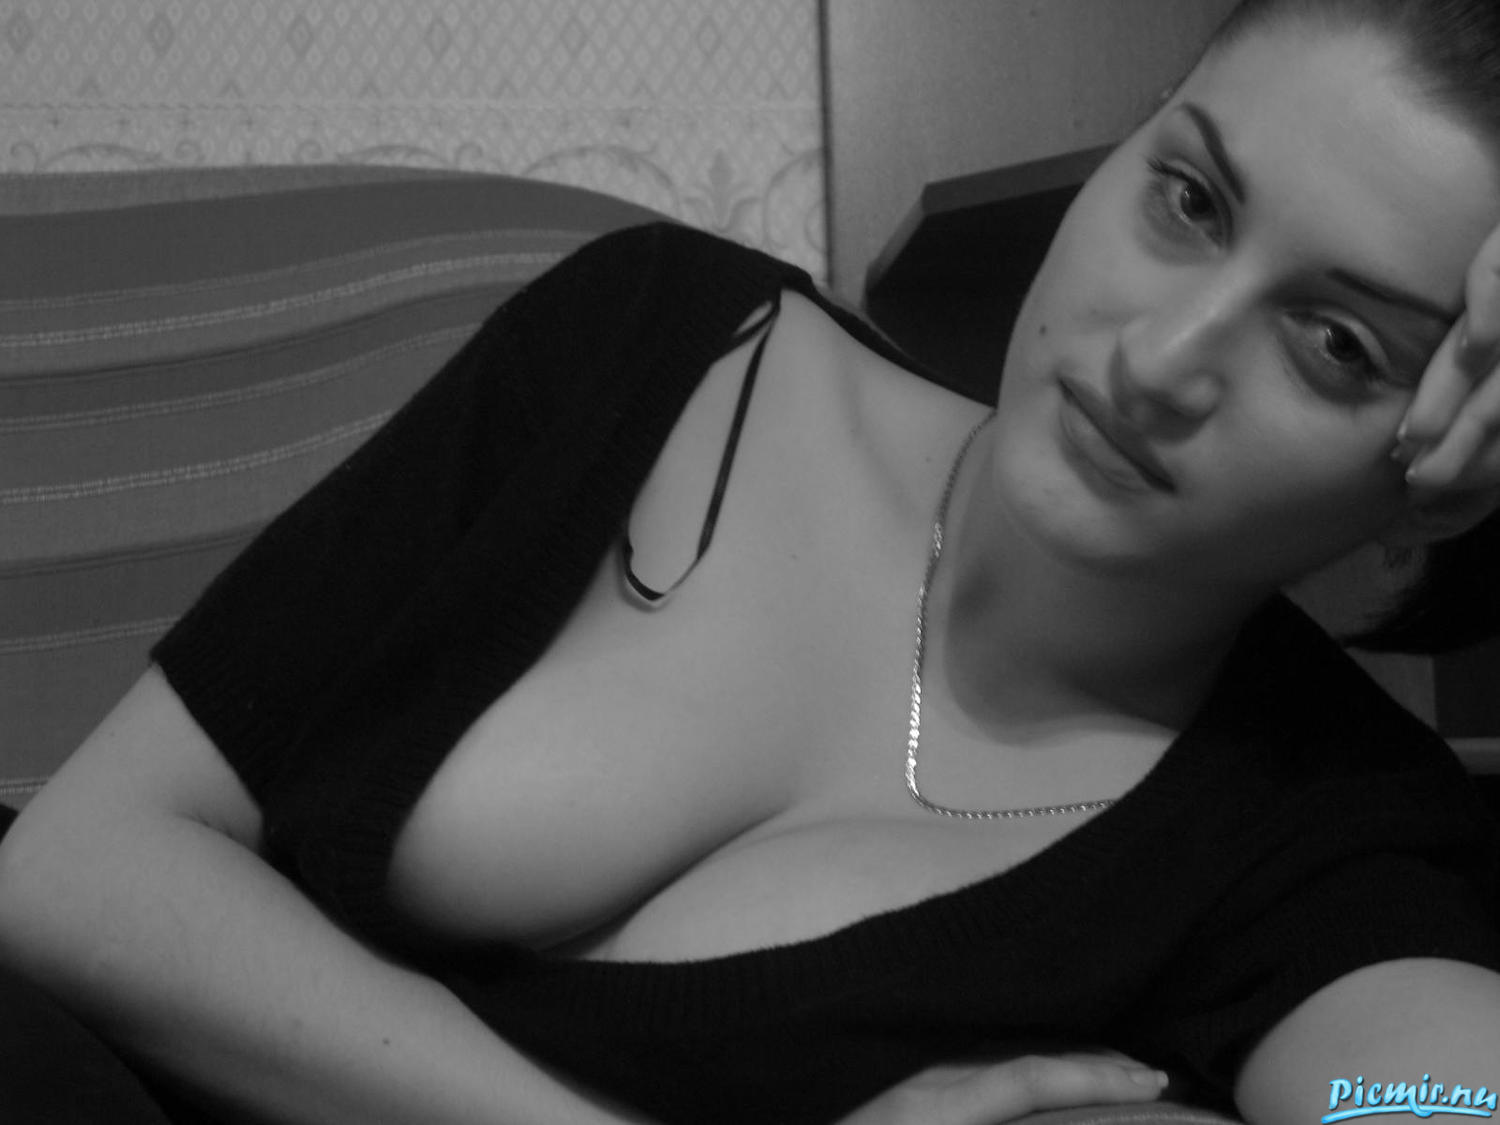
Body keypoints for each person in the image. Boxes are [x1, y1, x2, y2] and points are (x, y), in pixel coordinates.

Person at [4, 1, 1500, 1122]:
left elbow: (1433, 1106)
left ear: (1442, 469)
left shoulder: (1325, 841)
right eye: (1190, 199)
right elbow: (70, 871)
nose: (1165, 359)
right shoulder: (656, 337)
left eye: (1337, 344)